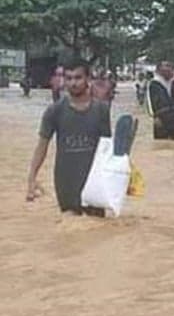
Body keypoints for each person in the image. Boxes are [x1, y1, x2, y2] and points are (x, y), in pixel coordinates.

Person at [26, 58, 111, 216]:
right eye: (69, 78)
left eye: (78, 77)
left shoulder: (101, 110)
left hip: (95, 181)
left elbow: (107, 148)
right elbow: (42, 146)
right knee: (70, 228)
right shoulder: (54, 111)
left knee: (97, 228)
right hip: (66, 180)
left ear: (88, 79)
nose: (73, 83)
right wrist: (32, 178)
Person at [147, 61, 174, 140]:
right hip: (161, 117)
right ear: (159, 70)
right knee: (162, 142)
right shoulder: (153, 84)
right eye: (166, 67)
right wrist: (155, 117)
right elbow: (149, 102)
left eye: (170, 67)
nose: (169, 69)